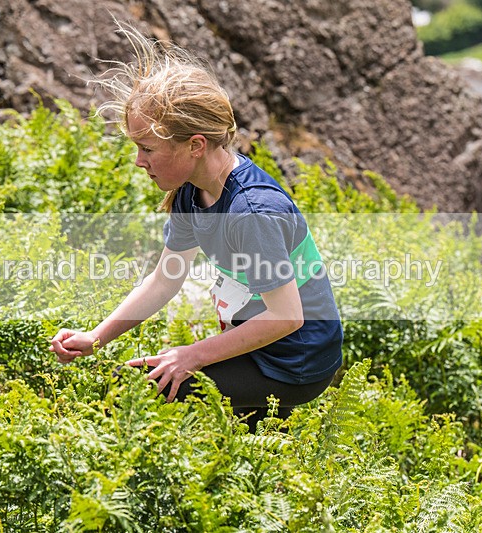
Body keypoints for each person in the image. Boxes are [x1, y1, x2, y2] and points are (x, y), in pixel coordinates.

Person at [49, 24, 342, 429]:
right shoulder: (192, 192)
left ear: (195, 145)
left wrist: (193, 354)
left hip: (293, 361)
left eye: (147, 148)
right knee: (242, 455)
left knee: (133, 391)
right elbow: (166, 280)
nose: (139, 161)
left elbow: (287, 317)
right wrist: (96, 337)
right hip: (261, 346)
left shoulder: (251, 213)